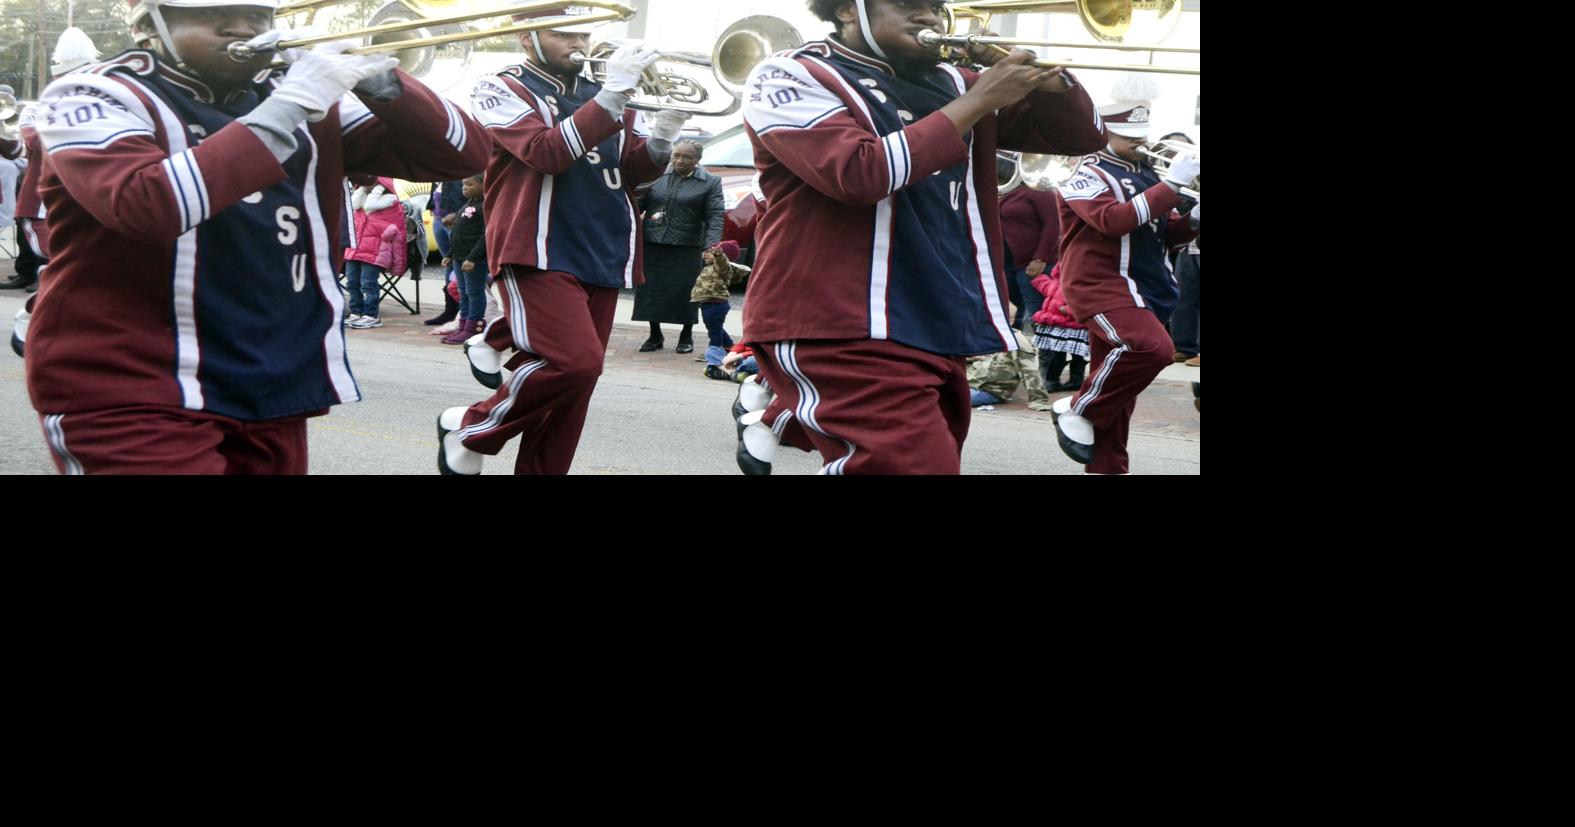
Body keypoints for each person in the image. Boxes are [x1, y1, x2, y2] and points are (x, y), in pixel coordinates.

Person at [26, 0, 488, 474]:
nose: (243, 26)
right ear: (148, 23)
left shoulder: (303, 95)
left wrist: (385, 85)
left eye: (257, 13)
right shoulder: (89, 92)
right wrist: (290, 105)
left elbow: (464, 156)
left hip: (271, 374)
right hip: (132, 378)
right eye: (213, 14)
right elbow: (148, 205)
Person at [732, 0, 1107, 474]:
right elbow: (859, 174)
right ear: (848, 10)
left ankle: (774, 417)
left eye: (935, 6)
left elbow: (1083, 138)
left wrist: (1046, 77)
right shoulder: (790, 74)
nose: (930, 17)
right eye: (910, 5)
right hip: (838, 316)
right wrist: (978, 101)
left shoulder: (952, 81)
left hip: (932, 314)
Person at [436, 5, 689, 475]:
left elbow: (631, 173)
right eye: (563, 33)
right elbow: (545, 153)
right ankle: (472, 427)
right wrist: (613, 96)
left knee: (575, 394)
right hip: (537, 245)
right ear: (526, 37)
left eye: (583, 33)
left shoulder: (605, 91)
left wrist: (666, 130)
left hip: (605, 247)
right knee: (576, 365)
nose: (578, 43)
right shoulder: (501, 86)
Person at [1050, 74, 1199, 474]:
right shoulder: (1082, 171)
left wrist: (1194, 218)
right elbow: (1113, 221)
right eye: (1130, 136)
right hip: (1102, 284)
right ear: (1106, 132)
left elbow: (1161, 230)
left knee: (1120, 396)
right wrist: (1171, 185)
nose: (1142, 143)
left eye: (1142, 134)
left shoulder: (1146, 171)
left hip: (1145, 287)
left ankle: (1107, 467)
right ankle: (1076, 407)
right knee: (1153, 349)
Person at [633, 138, 724, 353]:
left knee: (686, 291)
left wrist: (711, 246)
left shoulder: (710, 182)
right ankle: (654, 335)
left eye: (687, 157)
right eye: (676, 155)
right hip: (653, 242)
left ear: (698, 160)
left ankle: (686, 335)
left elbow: (715, 216)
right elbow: (637, 203)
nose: (679, 161)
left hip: (687, 245)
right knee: (650, 289)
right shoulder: (656, 176)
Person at [343, 175, 407, 329]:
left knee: (368, 284)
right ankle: (356, 312)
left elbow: (396, 229)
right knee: (352, 282)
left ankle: (371, 314)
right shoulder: (359, 201)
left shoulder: (390, 202)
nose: (367, 184)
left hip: (375, 251)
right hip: (355, 248)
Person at [439, 173, 488, 344]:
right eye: (463, 185)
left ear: (483, 184)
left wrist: (473, 257)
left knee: (474, 292)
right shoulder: (468, 204)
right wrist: (450, 255)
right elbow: (458, 232)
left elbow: (486, 235)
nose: (464, 188)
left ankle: (474, 326)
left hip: (473, 259)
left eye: (469, 185)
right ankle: (463, 325)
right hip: (459, 257)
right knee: (463, 292)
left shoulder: (485, 205)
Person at [689, 238, 746, 379]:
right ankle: (729, 347)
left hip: (716, 305)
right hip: (708, 304)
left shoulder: (723, 268)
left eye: (711, 253)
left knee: (714, 332)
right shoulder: (710, 266)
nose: (708, 255)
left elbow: (722, 261)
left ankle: (715, 356)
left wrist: (718, 254)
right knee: (716, 328)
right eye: (708, 252)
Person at [1029, 263, 1087, 391]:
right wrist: (1039, 279)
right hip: (1058, 324)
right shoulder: (1058, 282)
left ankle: (1074, 380)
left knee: (1076, 354)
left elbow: (1087, 301)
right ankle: (1053, 380)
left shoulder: (1080, 284)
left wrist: (1069, 310)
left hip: (1072, 324)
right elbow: (1048, 289)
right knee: (1058, 354)